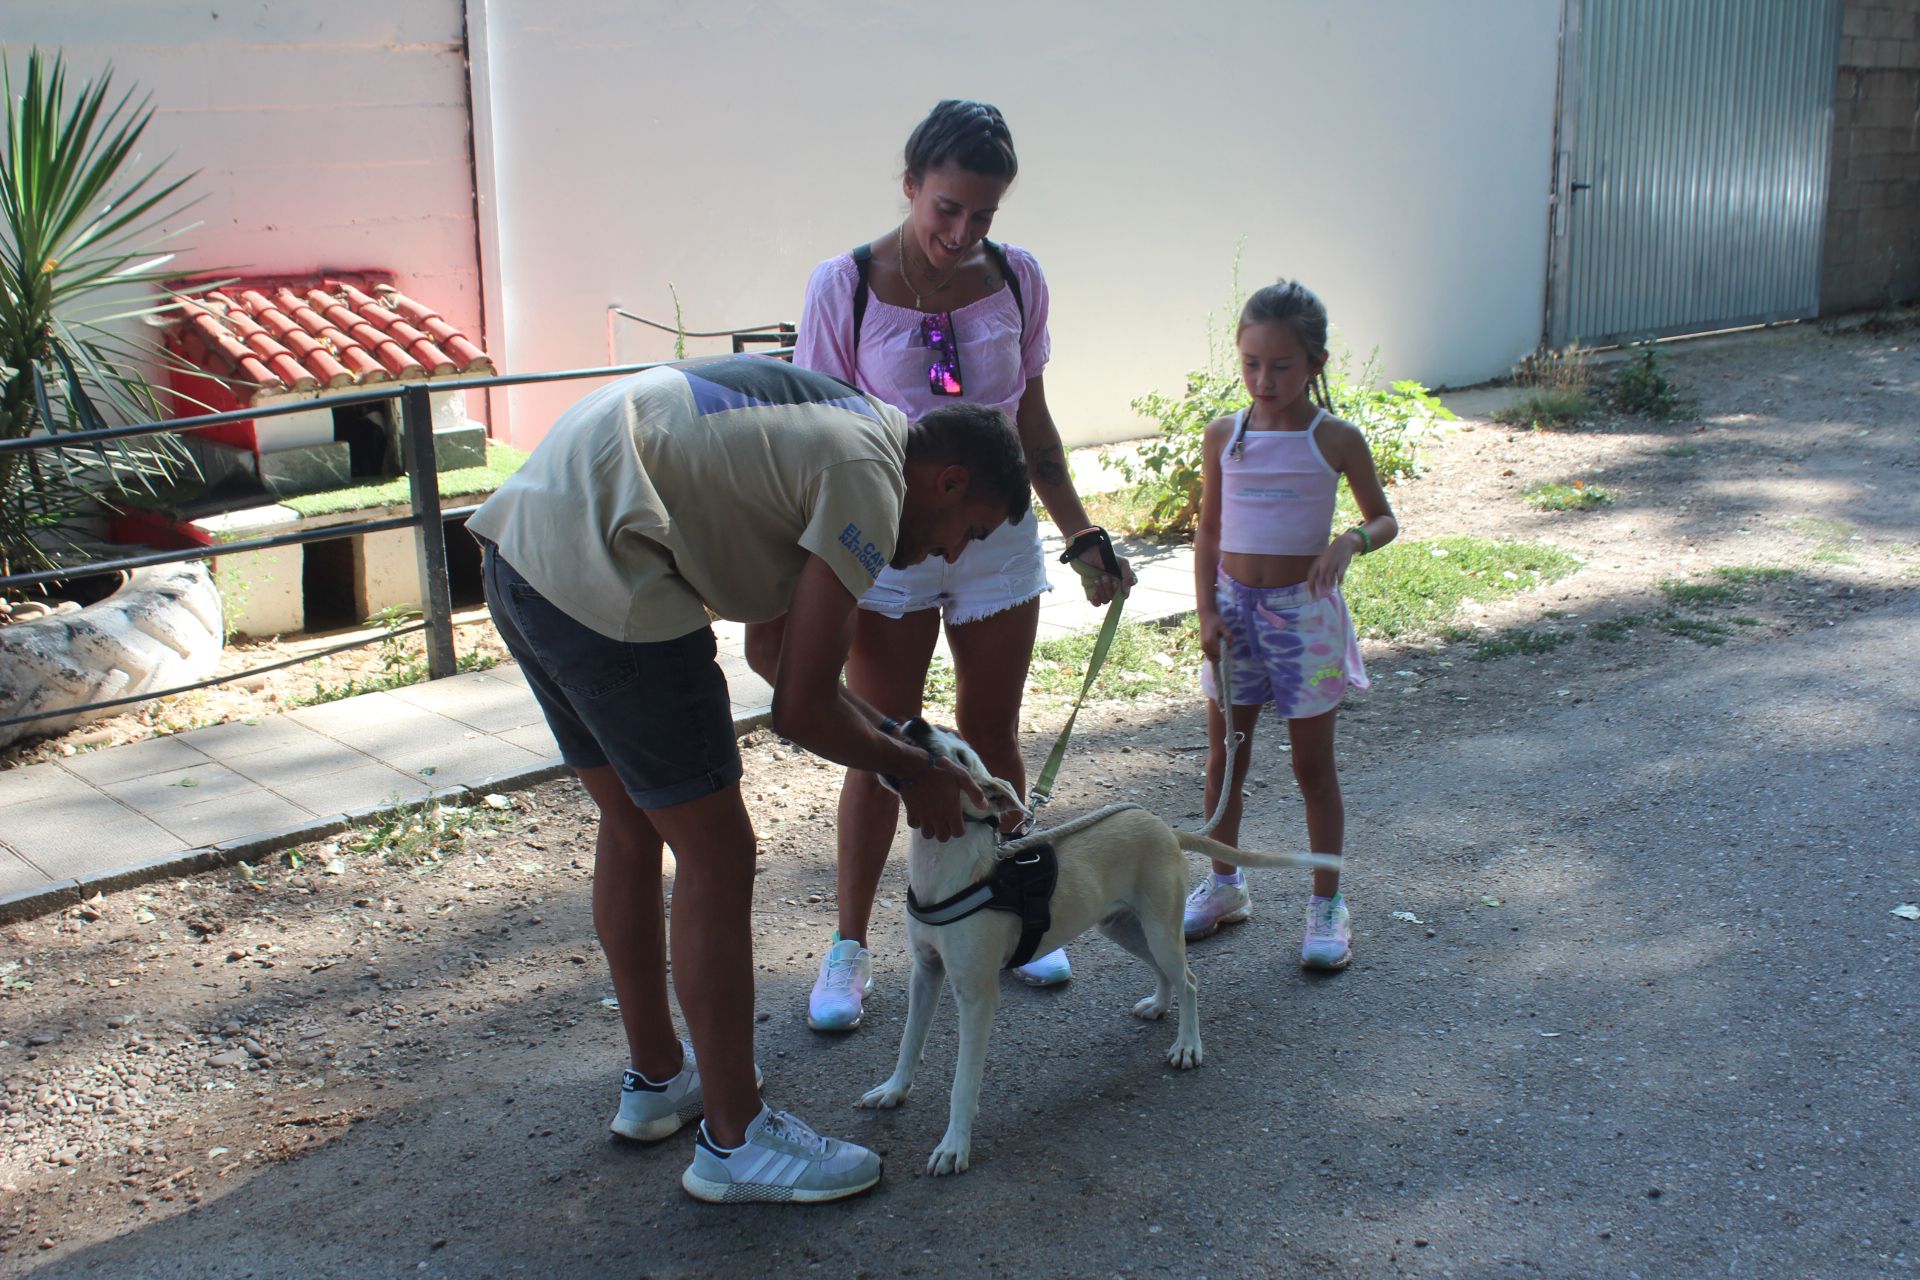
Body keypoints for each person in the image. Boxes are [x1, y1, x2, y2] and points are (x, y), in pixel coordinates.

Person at [465, 356, 1029, 1203]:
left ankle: (661, 1080)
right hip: (610, 576)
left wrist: (914, 747)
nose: (954, 552)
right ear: (948, 482)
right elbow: (798, 711)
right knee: (720, 855)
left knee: (633, 824)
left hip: (526, 554)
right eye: (970, 530)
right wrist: (914, 774)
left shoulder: (848, 431)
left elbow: (774, 655)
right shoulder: (871, 487)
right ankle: (736, 1141)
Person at [793, 99, 1132, 1029]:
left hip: (997, 546)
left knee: (992, 736)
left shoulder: (1017, 281)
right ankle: (850, 948)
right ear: (909, 185)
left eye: (983, 215)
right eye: (947, 208)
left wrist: (1082, 533)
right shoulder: (846, 285)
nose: (962, 232)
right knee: (879, 745)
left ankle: (1012, 916)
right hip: (889, 546)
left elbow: (1033, 424)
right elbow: (818, 433)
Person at [1183, 280, 1398, 970]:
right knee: (1227, 759)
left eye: (1280, 365)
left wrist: (1349, 543)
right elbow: (1209, 530)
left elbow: (1383, 517)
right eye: (1250, 363)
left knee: (1312, 767)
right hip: (1236, 615)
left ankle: (1327, 904)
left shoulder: (1333, 437)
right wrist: (1208, 610)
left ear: (1316, 364)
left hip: (1304, 621)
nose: (1263, 379)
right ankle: (1224, 885)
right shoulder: (1227, 434)